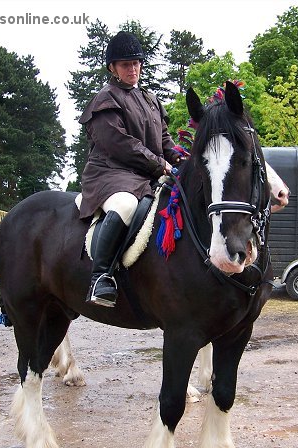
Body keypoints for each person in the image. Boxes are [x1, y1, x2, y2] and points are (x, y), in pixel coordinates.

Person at [78, 31, 182, 307]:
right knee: (126, 205)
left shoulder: (150, 100)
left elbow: (164, 140)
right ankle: (100, 277)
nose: (132, 68)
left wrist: (182, 159)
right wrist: (161, 165)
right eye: (125, 64)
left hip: (144, 174)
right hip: (110, 173)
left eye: (136, 63)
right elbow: (120, 144)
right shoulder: (105, 99)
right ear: (113, 68)